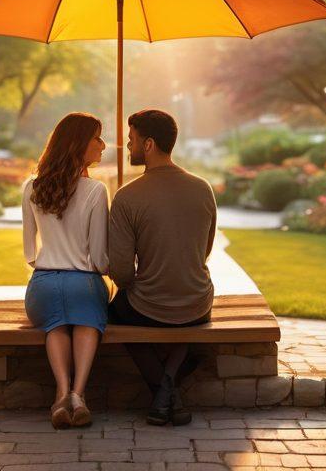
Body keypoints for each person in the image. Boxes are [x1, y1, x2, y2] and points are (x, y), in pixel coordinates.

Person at [108, 109, 217, 426]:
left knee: (113, 315)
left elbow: (122, 274)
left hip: (147, 306)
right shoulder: (203, 188)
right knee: (188, 322)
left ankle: (162, 391)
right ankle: (170, 390)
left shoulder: (127, 197)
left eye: (131, 140)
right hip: (198, 303)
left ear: (149, 144)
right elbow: (204, 251)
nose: (128, 147)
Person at [22, 112, 110, 429]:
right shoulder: (96, 191)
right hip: (84, 282)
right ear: (78, 143)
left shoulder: (31, 187)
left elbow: (30, 252)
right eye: (97, 137)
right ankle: (78, 394)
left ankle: (60, 393)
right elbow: (100, 257)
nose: (103, 144)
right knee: (86, 320)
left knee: (56, 326)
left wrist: (52, 265)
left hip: (43, 284)